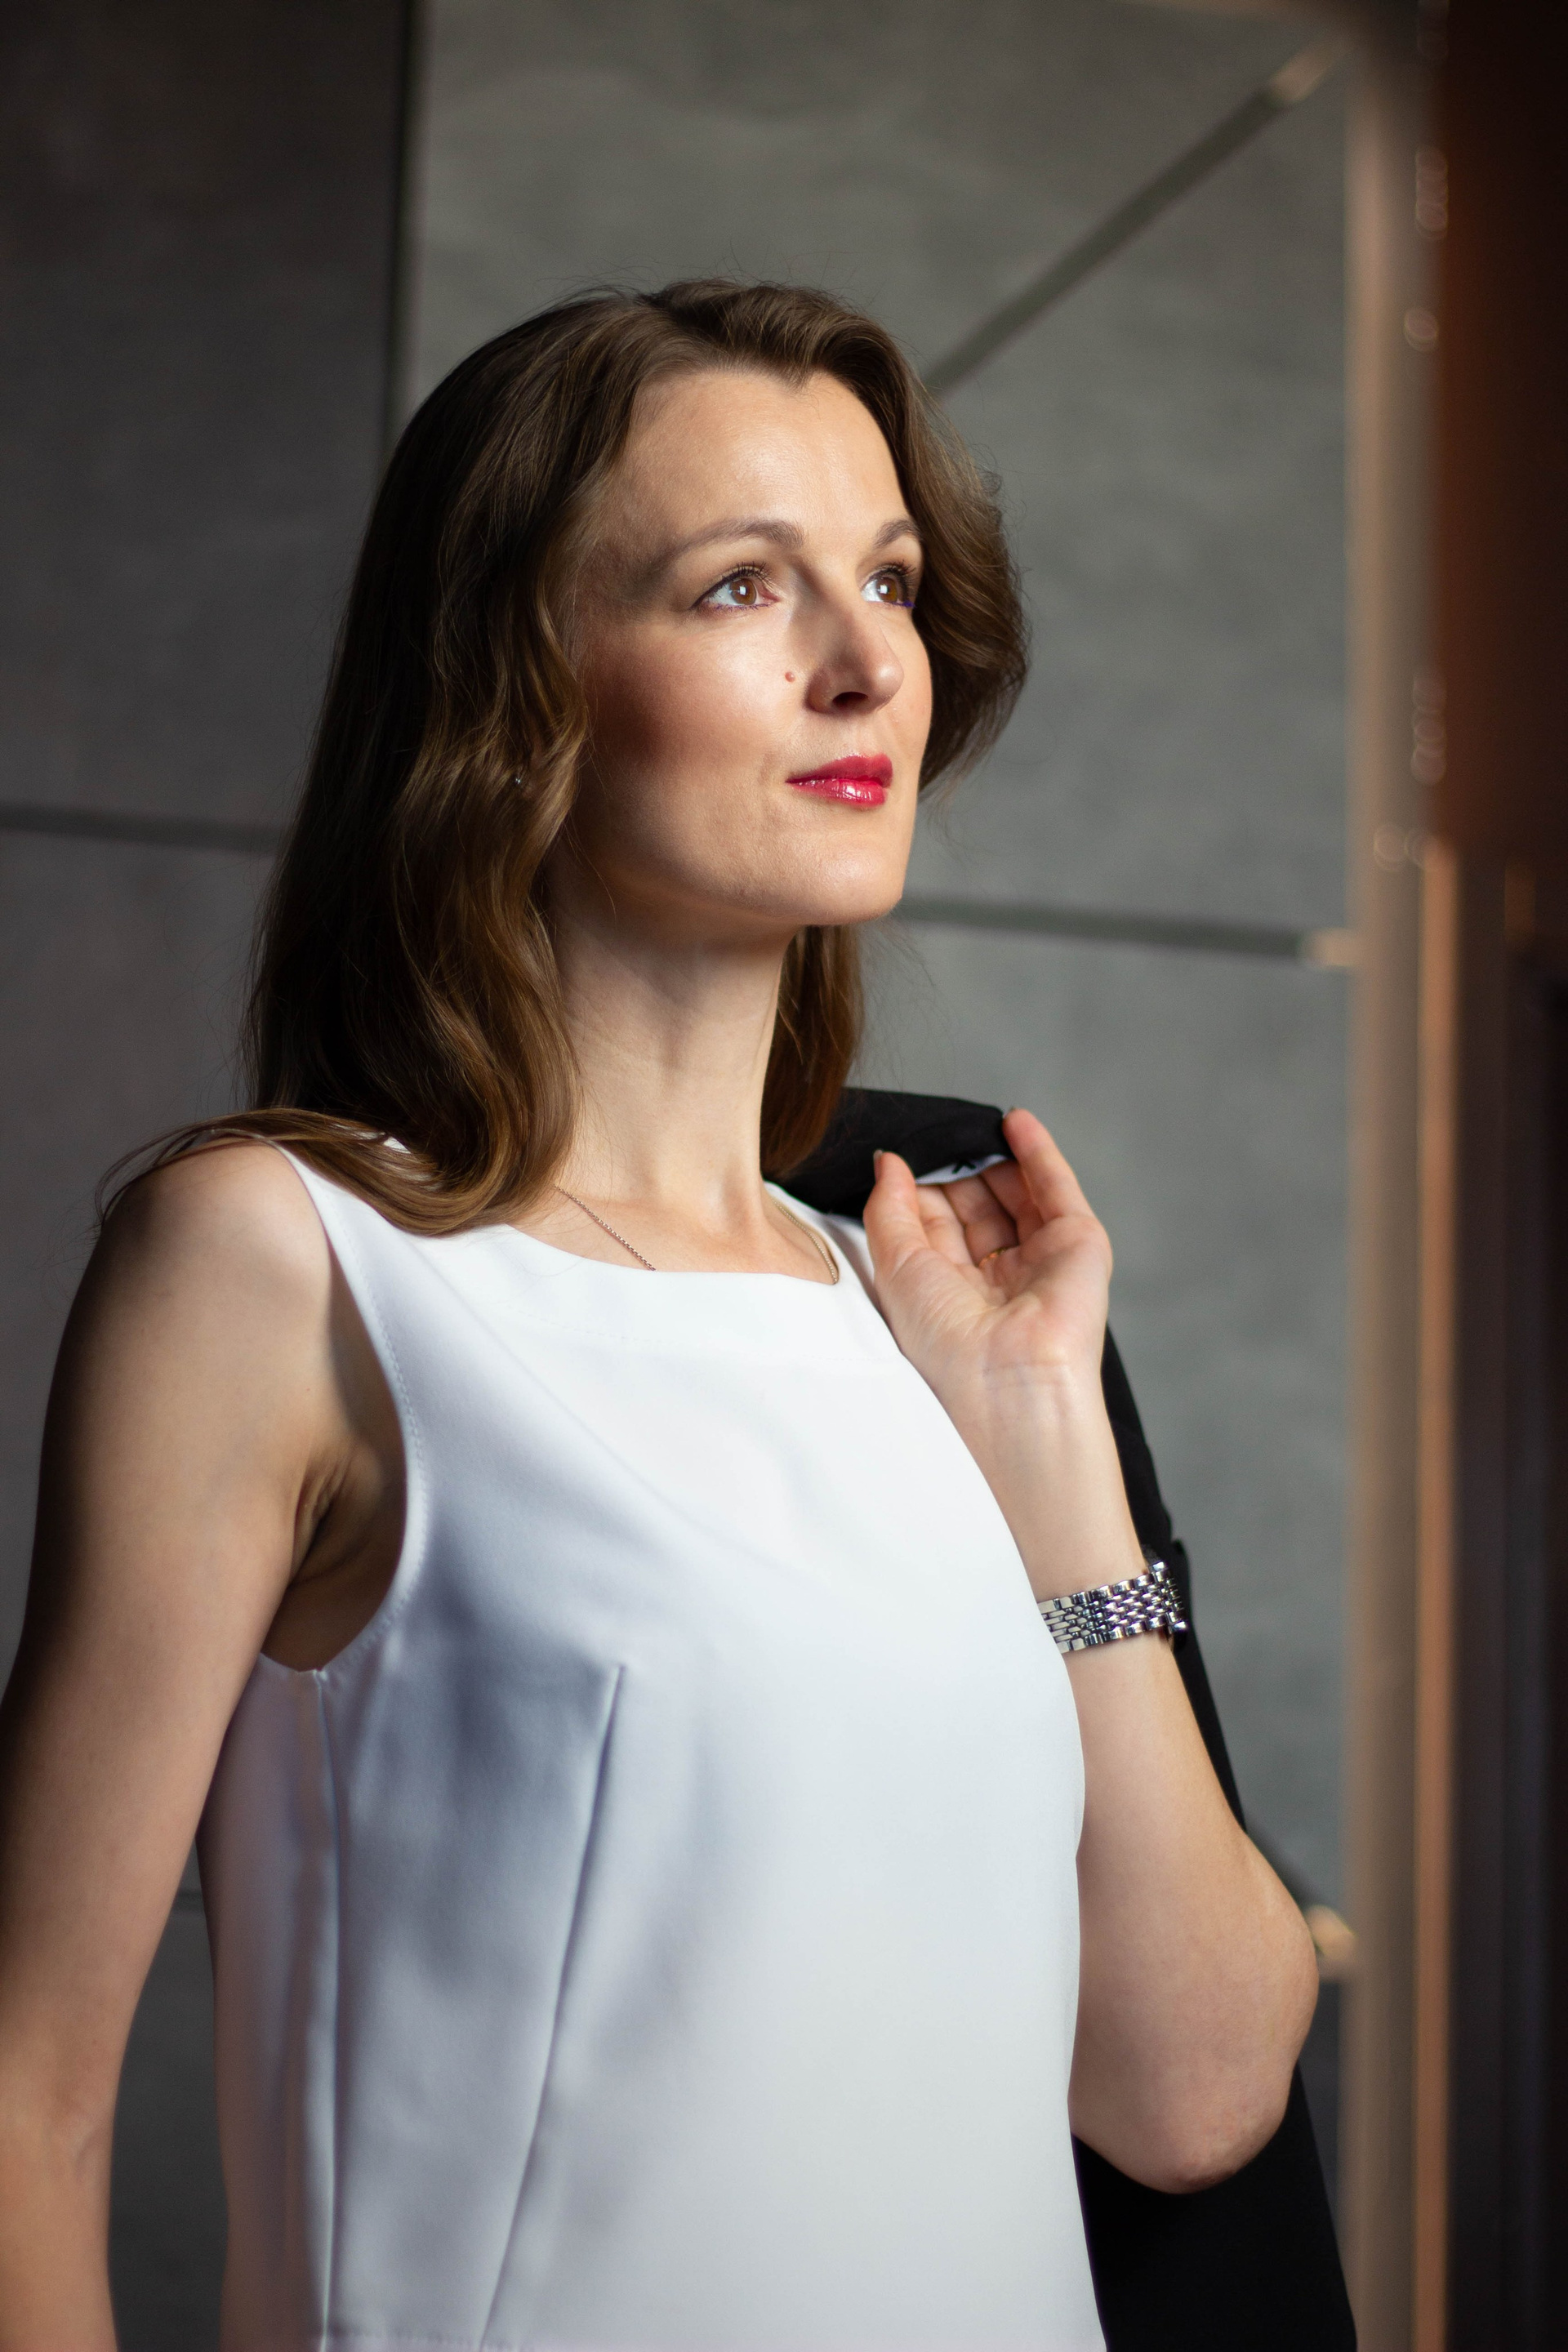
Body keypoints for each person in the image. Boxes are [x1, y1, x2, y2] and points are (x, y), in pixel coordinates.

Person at [0, 281, 1327, 2352]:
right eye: (742, 587)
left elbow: (1193, 2091)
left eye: (889, 580)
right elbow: (23, 2089)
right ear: (513, 686)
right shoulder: (285, 1262)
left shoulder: (922, 1311)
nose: (864, 661)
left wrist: (1049, 1449)